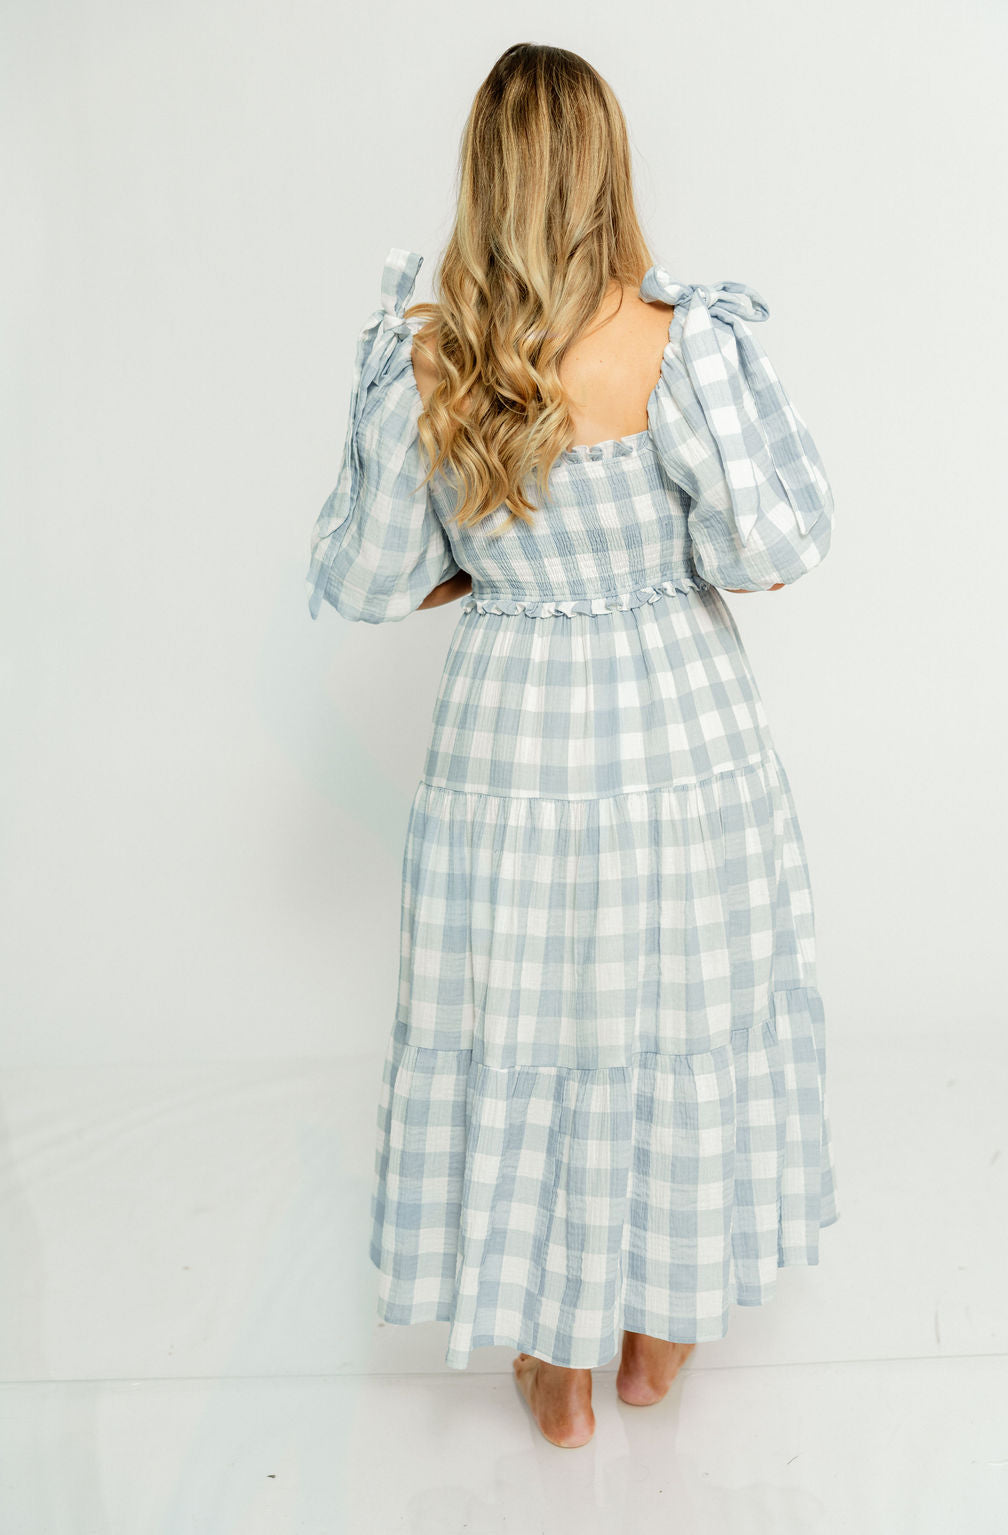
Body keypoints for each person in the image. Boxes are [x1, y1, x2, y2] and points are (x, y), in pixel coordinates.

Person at [305, 42, 840, 1450]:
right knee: (674, 1013)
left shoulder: (432, 356)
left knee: (529, 1023)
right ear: (607, 166)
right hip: (677, 732)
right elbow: (772, 549)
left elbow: (370, 578)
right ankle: (657, 1331)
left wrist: (494, 567)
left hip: (510, 742)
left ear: (482, 173)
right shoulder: (678, 343)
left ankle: (554, 1358)